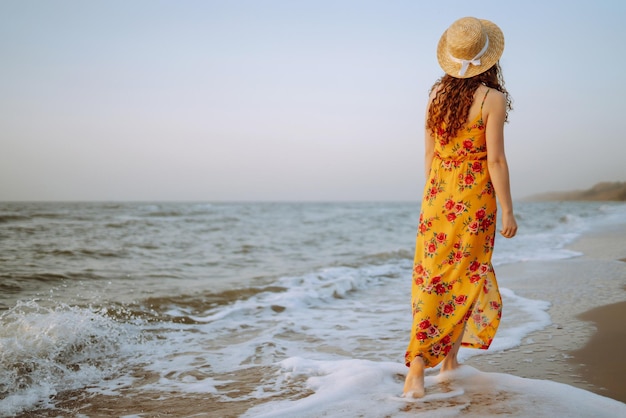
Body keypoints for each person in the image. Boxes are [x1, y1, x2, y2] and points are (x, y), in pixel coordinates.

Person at [403, 16, 518, 398]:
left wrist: (433, 195)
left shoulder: (436, 95)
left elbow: (428, 152)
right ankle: (420, 363)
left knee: (432, 278)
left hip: (437, 196)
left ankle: (444, 362)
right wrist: (507, 210)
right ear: (490, 58)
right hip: (473, 201)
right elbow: (496, 161)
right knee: (464, 274)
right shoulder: (492, 99)